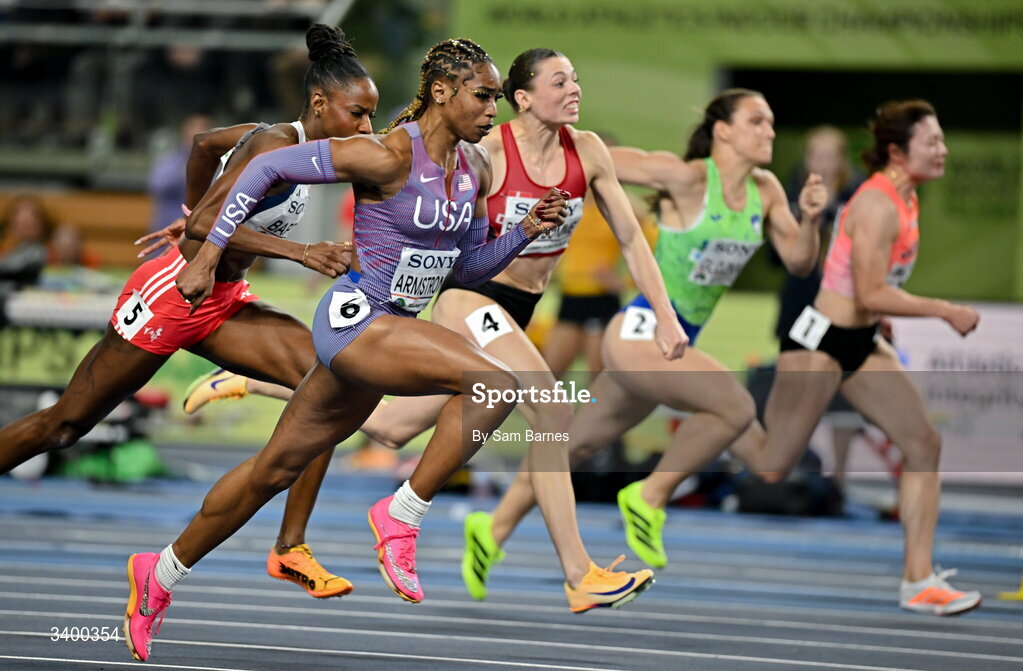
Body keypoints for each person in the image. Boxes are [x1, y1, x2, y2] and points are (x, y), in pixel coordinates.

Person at [120, 37, 624, 663]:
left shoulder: (472, 172)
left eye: (496, 97)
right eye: (484, 94)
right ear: (442, 92)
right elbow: (266, 168)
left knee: (271, 472)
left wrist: (524, 231)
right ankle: (402, 513)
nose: (493, 109)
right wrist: (211, 248)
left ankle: (159, 574)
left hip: (392, 332)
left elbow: (464, 272)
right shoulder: (385, 155)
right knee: (497, 383)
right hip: (357, 322)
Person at [0, 24, 377, 600]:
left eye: (372, 115)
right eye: (359, 114)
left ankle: (290, 548)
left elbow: (203, 144)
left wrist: (198, 203)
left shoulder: (283, 142)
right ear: (321, 104)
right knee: (66, 426)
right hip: (174, 294)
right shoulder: (272, 144)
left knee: (327, 387)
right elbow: (207, 227)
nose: (367, 128)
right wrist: (293, 247)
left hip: (223, 302)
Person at [456, 88, 825, 596]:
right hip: (639, 330)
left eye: (771, 122)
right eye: (757, 121)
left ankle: (490, 530)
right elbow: (597, 161)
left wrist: (811, 219)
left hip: (672, 345)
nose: (770, 132)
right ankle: (649, 497)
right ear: (723, 130)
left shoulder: (766, 191)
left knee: (566, 444)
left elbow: (801, 261)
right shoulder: (686, 177)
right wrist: (550, 151)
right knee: (735, 407)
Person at [0, 195, 54, 291]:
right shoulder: (6, 251)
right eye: (20, 224)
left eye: (29, 224)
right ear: (10, 225)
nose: (25, 218)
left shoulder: (45, 252)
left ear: (41, 225)